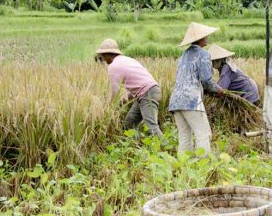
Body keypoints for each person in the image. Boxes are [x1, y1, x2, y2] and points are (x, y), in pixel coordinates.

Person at [168, 22, 224, 155]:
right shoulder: (203, 54)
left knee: (184, 137)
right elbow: (206, 80)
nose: (207, 38)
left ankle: (183, 167)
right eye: (205, 36)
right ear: (199, 39)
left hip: (176, 101)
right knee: (203, 134)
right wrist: (218, 90)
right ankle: (204, 166)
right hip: (191, 101)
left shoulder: (183, 56)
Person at [95, 38, 163, 139]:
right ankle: (135, 147)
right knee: (129, 123)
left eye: (103, 56)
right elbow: (135, 88)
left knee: (152, 127)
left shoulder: (113, 66)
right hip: (148, 92)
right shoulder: (127, 60)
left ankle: (163, 151)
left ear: (107, 54)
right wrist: (122, 101)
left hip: (148, 93)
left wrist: (107, 108)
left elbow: (114, 92)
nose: (104, 59)